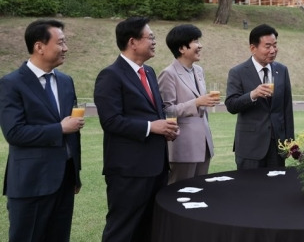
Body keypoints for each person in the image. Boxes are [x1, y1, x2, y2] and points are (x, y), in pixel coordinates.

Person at [94, 16, 178, 242]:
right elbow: (110, 121)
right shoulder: (110, 75)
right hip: (128, 171)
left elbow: (155, 112)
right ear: (132, 42)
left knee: (149, 228)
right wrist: (152, 127)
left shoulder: (149, 72)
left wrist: (166, 129)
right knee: (122, 229)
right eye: (150, 37)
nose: (154, 42)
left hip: (157, 167)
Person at [0, 19, 84, 242]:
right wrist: (59, 128)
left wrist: (75, 172)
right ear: (39, 47)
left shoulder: (66, 81)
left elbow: (74, 132)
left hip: (64, 180)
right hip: (31, 182)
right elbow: (14, 133)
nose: (66, 48)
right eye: (61, 43)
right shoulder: (11, 83)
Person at [225, 23, 294, 170]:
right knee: (250, 190)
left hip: (277, 147)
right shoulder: (238, 72)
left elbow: (287, 108)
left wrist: (289, 141)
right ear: (253, 48)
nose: (273, 50)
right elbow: (231, 105)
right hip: (250, 147)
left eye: (275, 45)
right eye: (267, 46)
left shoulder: (281, 70)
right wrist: (253, 94)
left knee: (276, 189)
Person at [158, 24, 219, 184]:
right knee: (179, 191)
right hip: (183, 145)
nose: (200, 45)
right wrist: (197, 102)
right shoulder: (168, 74)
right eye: (195, 41)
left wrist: (205, 102)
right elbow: (166, 110)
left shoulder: (198, 71)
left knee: (200, 190)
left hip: (204, 143)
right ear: (182, 48)